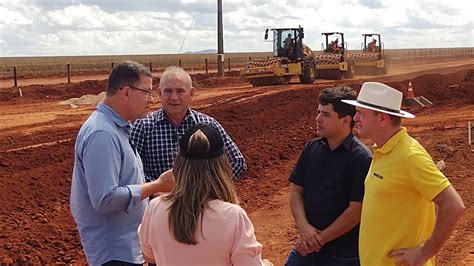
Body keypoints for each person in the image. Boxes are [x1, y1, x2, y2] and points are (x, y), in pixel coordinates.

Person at [342, 82, 465, 266]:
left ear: (382, 118)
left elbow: (454, 205)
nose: (355, 117)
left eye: (361, 113)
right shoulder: (382, 151)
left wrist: (424, 253)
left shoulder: (410, 156)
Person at [70, 61, 175, 266]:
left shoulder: (116, 128)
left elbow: (125, 181)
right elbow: (105, 199)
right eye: (147, 92)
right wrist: (156, 186)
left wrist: (153, 191)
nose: (151, 100)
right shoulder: (103, 134)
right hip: (114, 253)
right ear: (126, 92)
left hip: (125, 249)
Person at [138, 124, 266, 265]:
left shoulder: (155, 207)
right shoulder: (233, 216)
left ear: (179, 166)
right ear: (221, 167)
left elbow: (149, 257)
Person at [286, 87, 372, 265]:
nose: (318, 119)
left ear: (345, 120)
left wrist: (318, 240)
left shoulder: (361, 159)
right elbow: (296, 192)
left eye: (326, 114)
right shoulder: (311, 148)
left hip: (341, 255)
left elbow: (355, 211)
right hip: (307, 245)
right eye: (318, 112)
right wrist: (304, 228)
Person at [130, 66, 246, 183]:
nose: (174, 98)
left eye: (180, 91)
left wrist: (209, 188)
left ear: (191, 93)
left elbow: (238, 161)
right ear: (159, 93)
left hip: (201, 200)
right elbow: (130, 169)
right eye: (168, 91)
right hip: (157, 200)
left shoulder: (208, 125)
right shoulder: (143, 126)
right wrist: (155, 190)